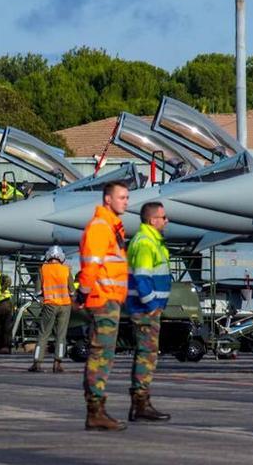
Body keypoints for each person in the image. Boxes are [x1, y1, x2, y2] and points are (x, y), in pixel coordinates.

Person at [78, 181, 130, 431]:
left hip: (110, 299)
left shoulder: (111, 227)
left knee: (104, 355)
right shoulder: (100, 227)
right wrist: (83, 294)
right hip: (102, 299)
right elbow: (91, 265)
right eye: (121, 197)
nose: (126, 202)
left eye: (127, 197)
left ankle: (96, 409)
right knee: (101, 355)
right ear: (108, 200)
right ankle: (95, 410)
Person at [125, 201, 172, 422]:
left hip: (147, 309)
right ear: (153, 220)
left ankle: (140, 403)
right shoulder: (145, 243)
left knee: (145, 355)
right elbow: (142, 278)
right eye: (163, 217)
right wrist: (153, 306)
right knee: (147, 356)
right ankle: (140, 403)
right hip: (146, 311)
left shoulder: (150, 241)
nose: (166, 221)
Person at [29, 245, 74, 373]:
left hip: (49, 305)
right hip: (65, 306)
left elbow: (38, 291)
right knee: (61, 335)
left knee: (43, 334)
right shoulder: (66, 270)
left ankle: (37, 363)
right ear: (61, 257)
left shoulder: (42, 269)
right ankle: (58, 363)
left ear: (48, 256)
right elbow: (72, 291)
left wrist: (43, 299)